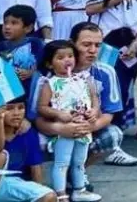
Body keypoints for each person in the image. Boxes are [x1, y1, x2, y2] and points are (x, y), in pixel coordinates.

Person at [30, 22, 137, 168]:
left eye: (97, 45)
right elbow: (36, 118)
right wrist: (60, 129)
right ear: (71, 44)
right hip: (53, 129)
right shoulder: (47, 74)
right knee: (32, 138)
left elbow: (108, 114)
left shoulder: (106, 72)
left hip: (86, 128)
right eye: (86, 45)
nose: (93, 50)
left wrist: (87, 128)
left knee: (113, 135)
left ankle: (78, 173)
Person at [36, 39, 98, 202]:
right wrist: (58, 114)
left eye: (70, 56)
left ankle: (79, 190)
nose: (67, 60)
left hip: (83, 128)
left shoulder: (84, 80)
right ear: (50, 64)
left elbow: (94, 99)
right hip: (64, 131)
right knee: (62, 162)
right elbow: (42, 107)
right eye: (60, 57)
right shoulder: (50, 83)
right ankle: (60, 194)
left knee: (79, 161)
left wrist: (93, 112)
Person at [0, 91, 59, 202]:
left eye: (20, 107)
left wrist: (40, 192)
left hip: (14, 185)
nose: (16, 113)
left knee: (49, 196)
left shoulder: (28, 133)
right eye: (9, 108)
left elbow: (35, 166)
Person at [0, 4, 46, 91]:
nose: (7, 27)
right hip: (8, 92)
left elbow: (44, 67)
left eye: (14, 23)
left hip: (31, 90)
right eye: (5, 22)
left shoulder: (36, 44)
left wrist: (31, 73)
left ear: (28, 28)